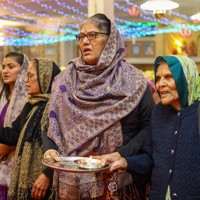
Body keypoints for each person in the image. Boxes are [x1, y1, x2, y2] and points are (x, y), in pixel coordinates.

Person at [43, 13, 154, 200]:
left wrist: (120, 154)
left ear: (110, 39)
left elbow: (149, 126)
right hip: (71, 181)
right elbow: (49, 123)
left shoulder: (133, 81)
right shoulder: (64, 81)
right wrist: (50, 149)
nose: (85, 42)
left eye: (92, 35)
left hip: (118, 181)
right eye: (81, 36)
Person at [98, 55, 200, 200]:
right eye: (158, 78)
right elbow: (150, 158)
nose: (161, 84)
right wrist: (125, 162)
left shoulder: (197, 113)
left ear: (185, 78)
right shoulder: (159, 113)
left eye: (168, 77)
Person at [0, 58, 61, 199]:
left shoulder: (57, 106)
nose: (25, 81)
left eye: (31, 75)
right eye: (25, 75)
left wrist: (48, 174)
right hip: (29, 182)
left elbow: (65, 146)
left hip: (47, 181)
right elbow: (13, 134)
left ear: (45, 76)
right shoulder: (31, 105)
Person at [0, 52, 29, 199]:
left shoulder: (28, 99)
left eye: (11, 67)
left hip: (14, 158)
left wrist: (3, 149)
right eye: (3, 66)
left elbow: (20, 132)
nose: (5, 71)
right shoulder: (3, 96)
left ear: (23, 70)